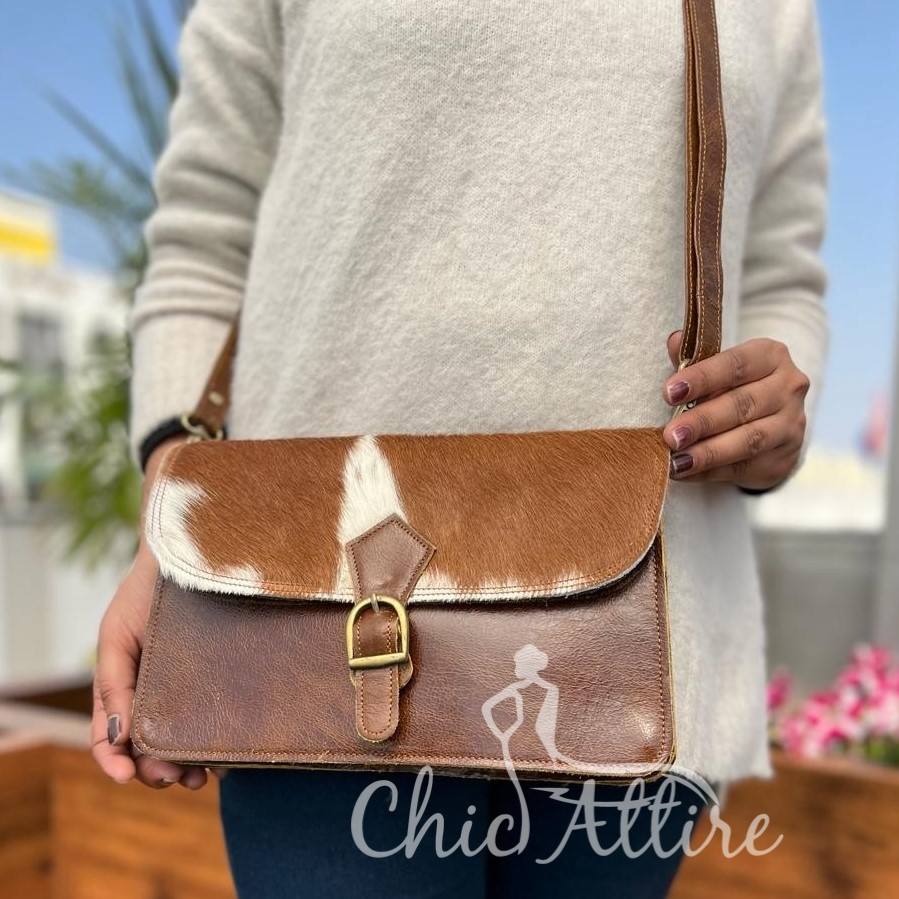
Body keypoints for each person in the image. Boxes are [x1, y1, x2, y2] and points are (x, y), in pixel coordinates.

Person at [91, 1, 828, 895]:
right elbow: (203, 241)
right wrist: (172, 521)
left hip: (644, 631)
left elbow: (779, 272)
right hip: (305, 613)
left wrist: (772, 411)